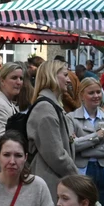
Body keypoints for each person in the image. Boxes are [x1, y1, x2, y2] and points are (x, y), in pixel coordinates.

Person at [27, 60, 78, 198]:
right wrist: (77, 178)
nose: (68, 80)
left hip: (54, 180)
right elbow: (56, 155)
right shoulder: (45, 108)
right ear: (52, 76)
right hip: (49, 182)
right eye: (65, 75)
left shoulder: (52, 105)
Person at [69, 77, 104, 206]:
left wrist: (83, 149)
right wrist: (95, 137)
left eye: (98, 92)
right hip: (82, 171)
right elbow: (70, 146)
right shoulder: (71, 118)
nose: (96, 96)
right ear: (82, 95)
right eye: (91, 93)